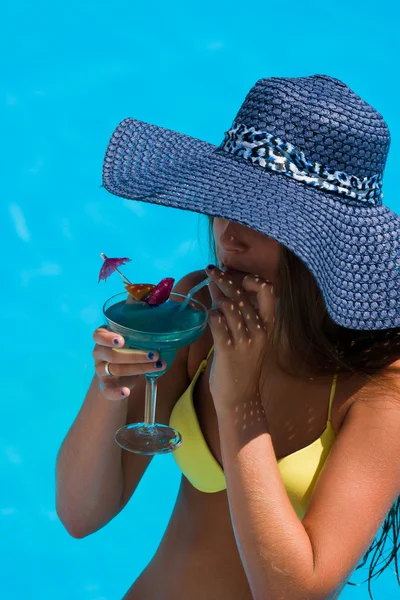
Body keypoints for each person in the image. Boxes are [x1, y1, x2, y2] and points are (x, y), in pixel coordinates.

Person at [56, 74, 400, 600]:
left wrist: (240, 402)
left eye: (262, 216)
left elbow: (295, 592)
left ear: (325, 240)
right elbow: (80, 515)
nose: (227, 233)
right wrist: (108, 390)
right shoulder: (201, 309)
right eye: (226, 202)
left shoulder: (377, 387)